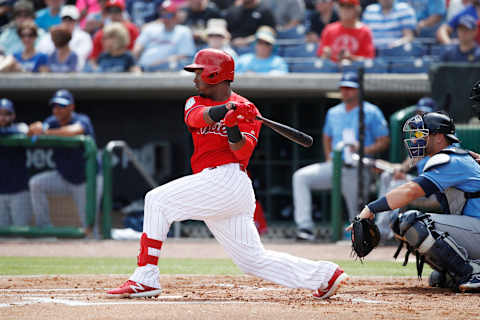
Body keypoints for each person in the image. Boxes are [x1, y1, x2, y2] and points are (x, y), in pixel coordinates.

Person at [107, 48, 349, 299]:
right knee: (252, 261)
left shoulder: (248, 109)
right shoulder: (195, 101)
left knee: (156, 200)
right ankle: (324, 275)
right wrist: (224, 112)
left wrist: (233, 126)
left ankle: (146, 276)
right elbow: (197, 119)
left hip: (228, 179)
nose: (194, 78)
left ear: (214, 74)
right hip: (215, 184)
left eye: (199, 72)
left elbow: (241, 153)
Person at [349, 111, 480, 292]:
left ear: (440, 138)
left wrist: (371, 208)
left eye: (422, 134)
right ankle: (455, 271)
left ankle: (471, 272)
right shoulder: (457, 157)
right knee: (399, 225)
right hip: (474, 229)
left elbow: (410, 191)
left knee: (413, 222)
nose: (417, 139)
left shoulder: (451, 159)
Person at [293, 72, 390, 241]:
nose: (345, 92)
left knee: (357, 213)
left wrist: (363, 149)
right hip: (335, 165)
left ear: (359, 90)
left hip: (358, 167)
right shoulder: (333, 112)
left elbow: (384, 141)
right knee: (300, 177)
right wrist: (329, 157)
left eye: (350, 88)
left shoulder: (371, 111)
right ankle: (305, 227)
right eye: (343, 88)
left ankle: (358, 237)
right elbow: (327, 136)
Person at [27, 90, 101, 232]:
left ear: (71, 107)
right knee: (36, 184)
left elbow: (76, 130)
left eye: (62, 106)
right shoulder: (51, 122)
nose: (57, 110)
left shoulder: (82, 119)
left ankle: (96, 250)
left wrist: (45, 132)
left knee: (90, 227)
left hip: (87, 181)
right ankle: (45, 229)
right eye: (55, 106)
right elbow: (33, 134)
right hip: (63, 177)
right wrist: (33, 129)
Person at [374, 97, 440, 241]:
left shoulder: (440, 135)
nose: (422, 118)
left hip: (437, 189)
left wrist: (401, 172)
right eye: (420, 114)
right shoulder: (422, 134)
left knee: (398, 184)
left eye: (425, 114)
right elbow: (408, 163)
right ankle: (384, 229)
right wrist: (388, 166)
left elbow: (416, 160)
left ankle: (381, 232)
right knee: (387, 176)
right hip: (424, 184)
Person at [133, 0, 195, 72]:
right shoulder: (150, 28)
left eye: (168, 15)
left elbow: (185, 56)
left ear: (176, 16)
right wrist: (134, 64)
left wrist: (154, 65)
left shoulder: (183, 31)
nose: (165, 18)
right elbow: (137, 48)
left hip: (167, 71)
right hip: (142, 69)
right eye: (163, 15)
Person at [0, 98, 33, 227]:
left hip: (19, 192)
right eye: (0, 113)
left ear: (13, 115)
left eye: (6, 113)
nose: (3, 117)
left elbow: (26, 132)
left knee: (21, 235)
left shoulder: (21, 127)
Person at [36, 5, 93, 71]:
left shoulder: (84, 36)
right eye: (65, 19)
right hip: (52, 73)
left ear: (76, 21)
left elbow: (78, 58)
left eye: (71, 19)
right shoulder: (50, 35)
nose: (67, 22)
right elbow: (41, 53)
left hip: (75, 73)